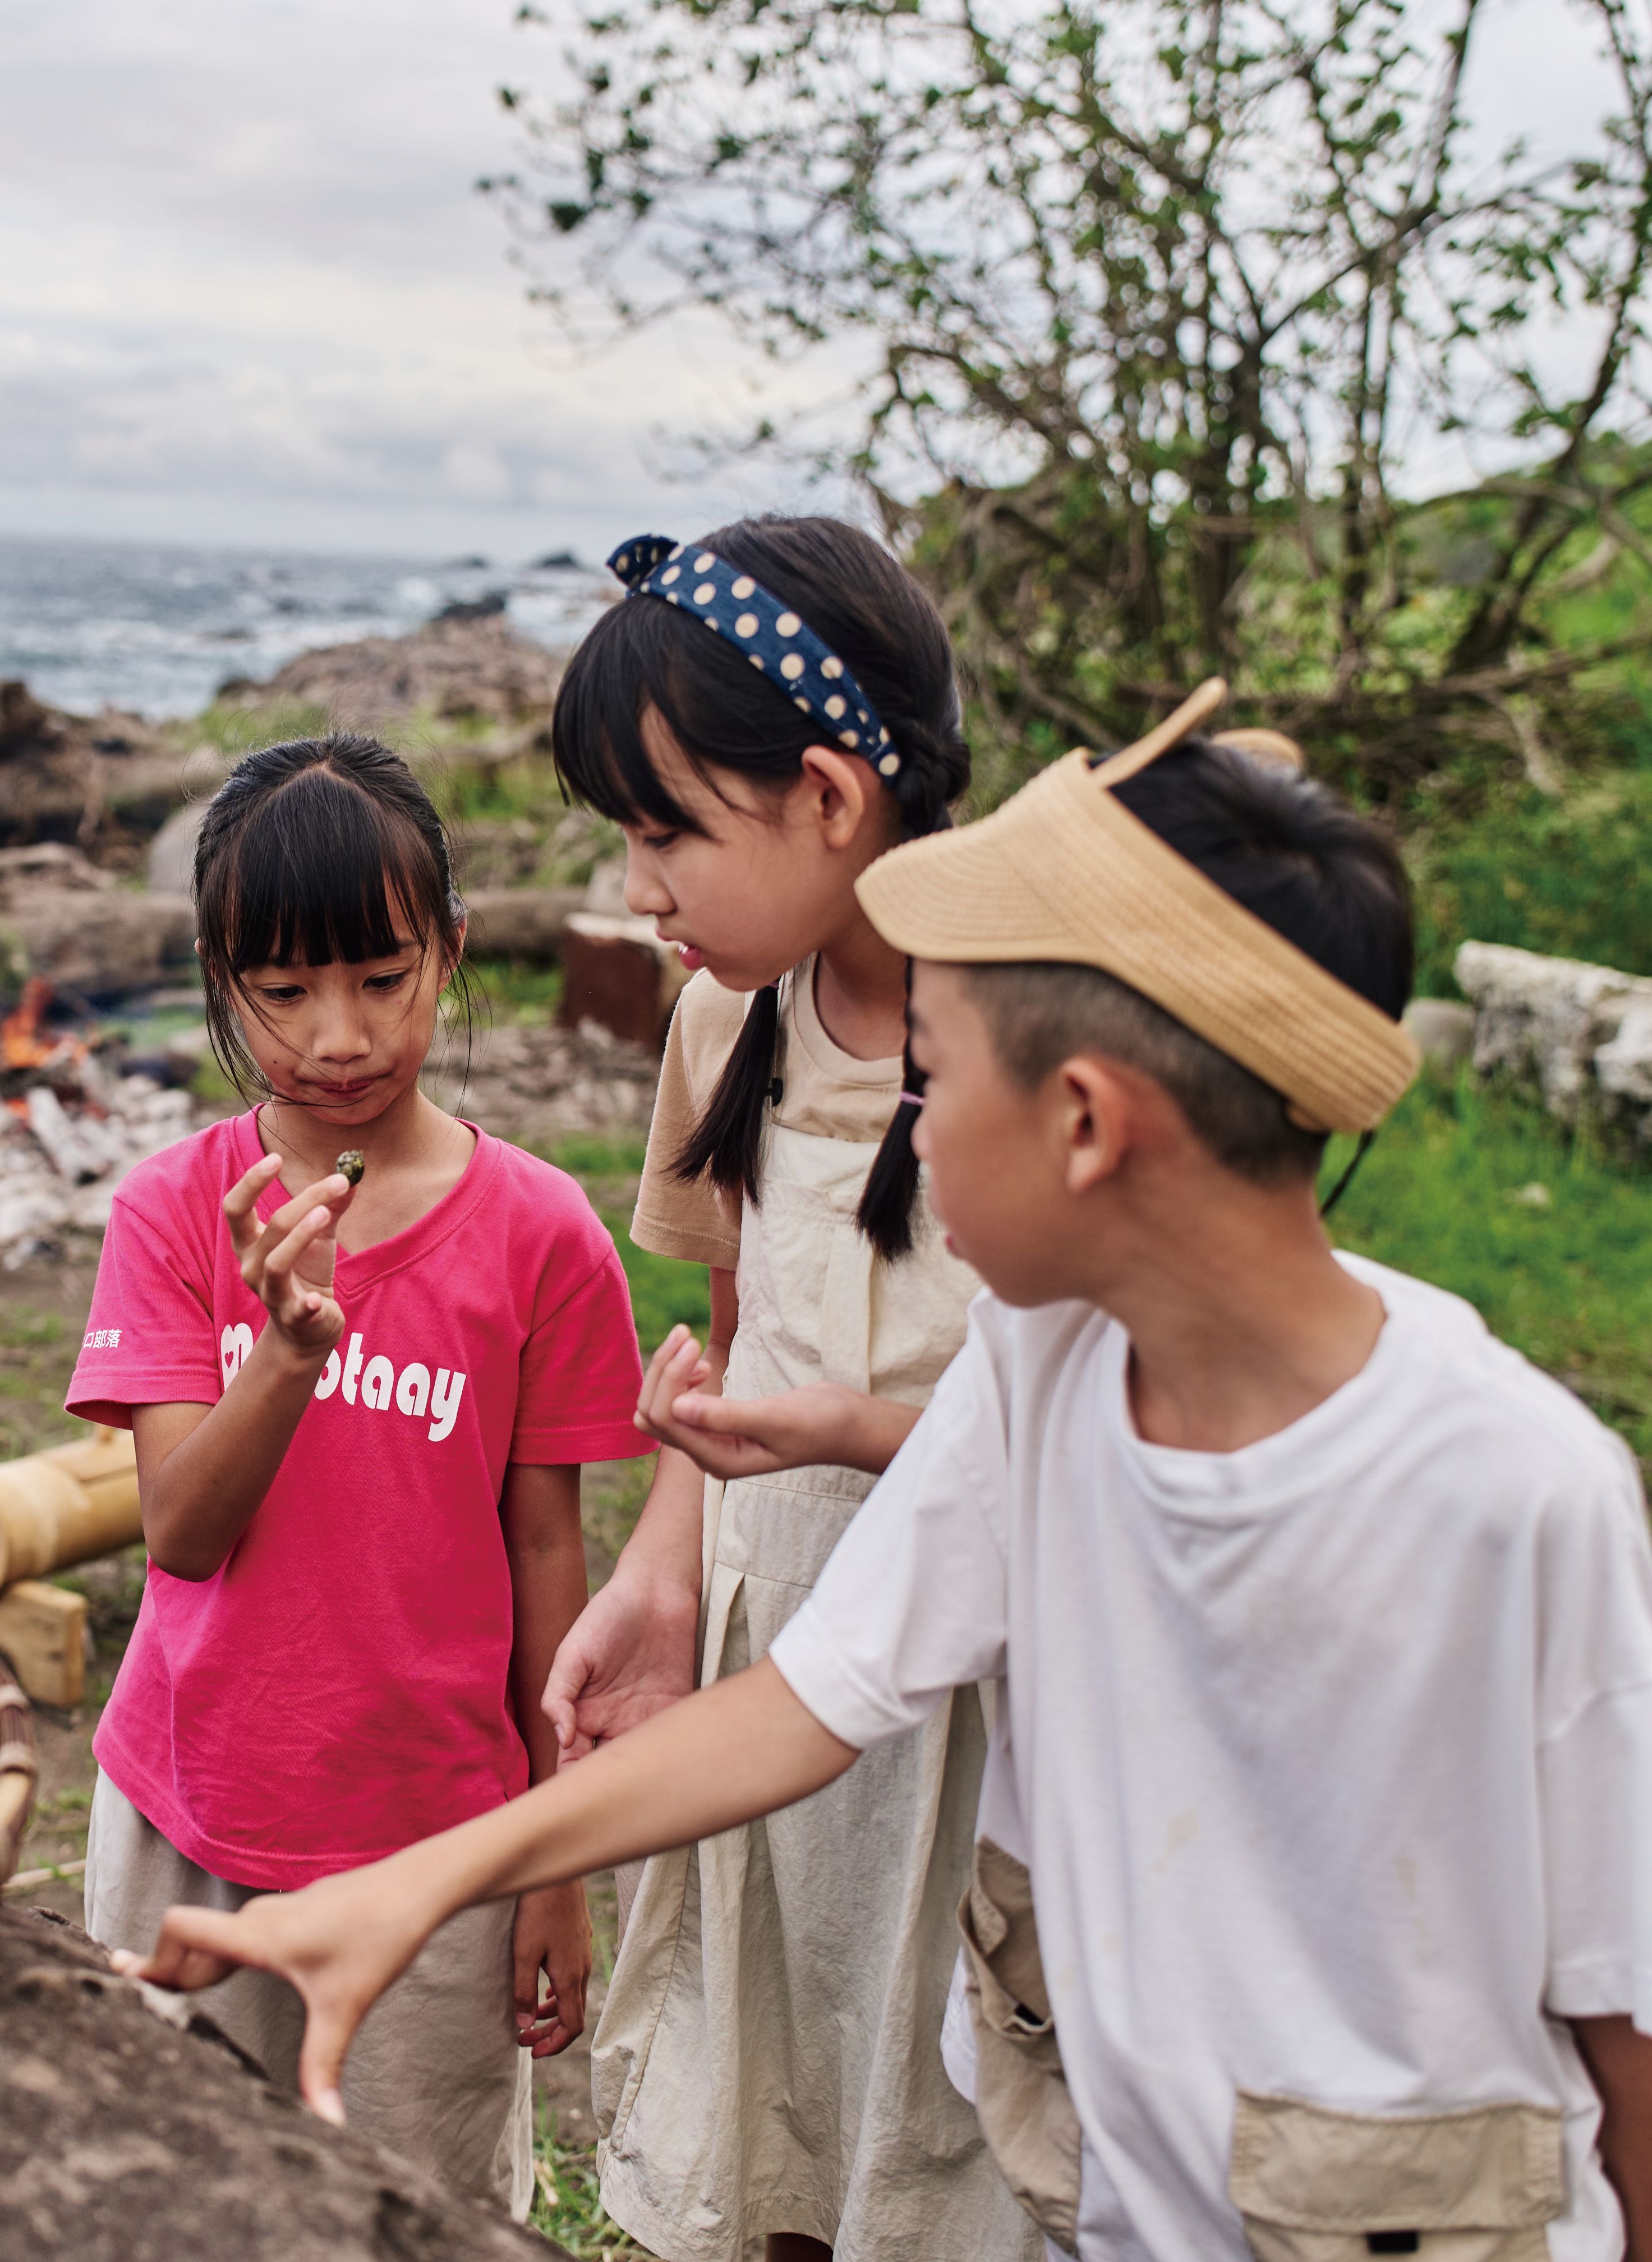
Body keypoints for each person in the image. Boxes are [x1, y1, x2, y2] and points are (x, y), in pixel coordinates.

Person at [121, 697, 1652, 2262]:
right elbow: (803, 1700)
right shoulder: (1040, 1383)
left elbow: (1638, 2009)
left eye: (936, 1082)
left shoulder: (1517, 1496)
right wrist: (430, 1885)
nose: (910, 1140)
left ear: (1086, 1122)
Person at [63, 733, 652, 2210]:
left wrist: (551, 1870)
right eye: (283, 991)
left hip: (437, 1852)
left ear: (452, 953)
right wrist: (287, 1353)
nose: (339, 1033)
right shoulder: (176, 1212)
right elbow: (181, 1538)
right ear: (221, 978)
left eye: (382, 978)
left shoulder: (544, 1235)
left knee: (410, 2212)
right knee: (173, 2203)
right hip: (189, 1821)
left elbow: (545, 1564)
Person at [535, 519, 1032, 2262]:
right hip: (770, 1643)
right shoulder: (725, 1024)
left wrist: (843, 1439)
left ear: (831, 795)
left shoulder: (1038, 1042)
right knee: (776, 2109)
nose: (640, 885)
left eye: (668, 826)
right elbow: (745, 1336)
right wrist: (664, 1571)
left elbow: (1091, 1435)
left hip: (976, 1690)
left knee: (951, 2113)